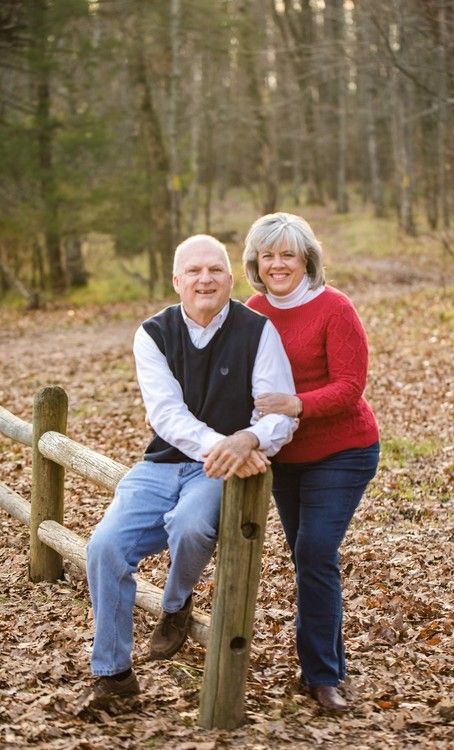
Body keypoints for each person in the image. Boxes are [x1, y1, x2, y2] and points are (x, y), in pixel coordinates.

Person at [83, 234, 297, 708]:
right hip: (162, 464)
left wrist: (251, 439)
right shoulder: (153, 333)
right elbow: (165, 415)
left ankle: (176, 603)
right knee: (104, 547)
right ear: (176, 280)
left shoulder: (257, 331)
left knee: (191, 524)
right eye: (194, 271)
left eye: (215, 270)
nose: (206, 279)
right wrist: (226, 444)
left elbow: (279, 413)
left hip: (220, 472)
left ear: (230, 279)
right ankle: (114, 676)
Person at [244, 213, 379, 713]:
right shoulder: (253, 311)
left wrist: (295, 403)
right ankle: (328, 662)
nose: (277, 264)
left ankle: (322, 676)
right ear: (256, 262)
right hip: (285, 456)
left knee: (315, 550)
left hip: (344, 451)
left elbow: (350, 387)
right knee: (308, 559)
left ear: (307, 260)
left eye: (288, 254)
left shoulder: (334, 307)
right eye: (268, 255)